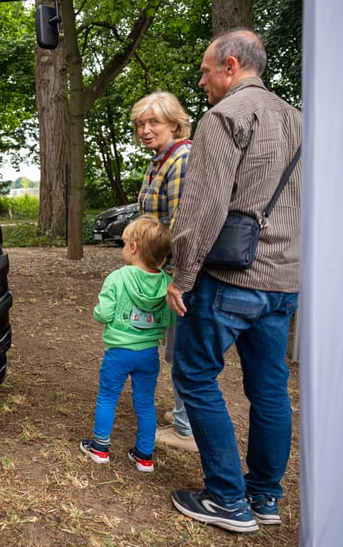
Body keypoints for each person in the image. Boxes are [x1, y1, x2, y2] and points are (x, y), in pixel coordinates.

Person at [166, 29, 302, 533]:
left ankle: (226, 498)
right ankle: (265, 497)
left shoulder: (225, 117)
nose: (201, 81)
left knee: (196, 375)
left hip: (231, 277)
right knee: (270, 390)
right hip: (286, 282)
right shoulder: (302, 121)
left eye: (204, 71)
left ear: (229, 65)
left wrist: (181, 275)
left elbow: (203, 208)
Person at [130, 91, 197, 453]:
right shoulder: (160, 160)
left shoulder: (182, 159)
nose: (145, 129)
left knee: (181, 351)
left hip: (177, 273)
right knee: (173, 347)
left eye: (153, 121)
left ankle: (186, 429)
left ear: (174, 123)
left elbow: (182, 227)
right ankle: (183, 413)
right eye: (140, 123)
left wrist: (177, 279)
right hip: (161, 271)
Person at [81, 216, 174, 473]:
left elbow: (104, 314)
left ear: (133, 247)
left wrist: (99, 311)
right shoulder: (167, 282)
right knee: (145, 402)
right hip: (148, 354)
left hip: (119, 353)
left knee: (108, 397)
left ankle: (100, 448)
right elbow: (169, 317)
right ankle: (144, 456)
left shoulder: (117, 278)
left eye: (123, 244)